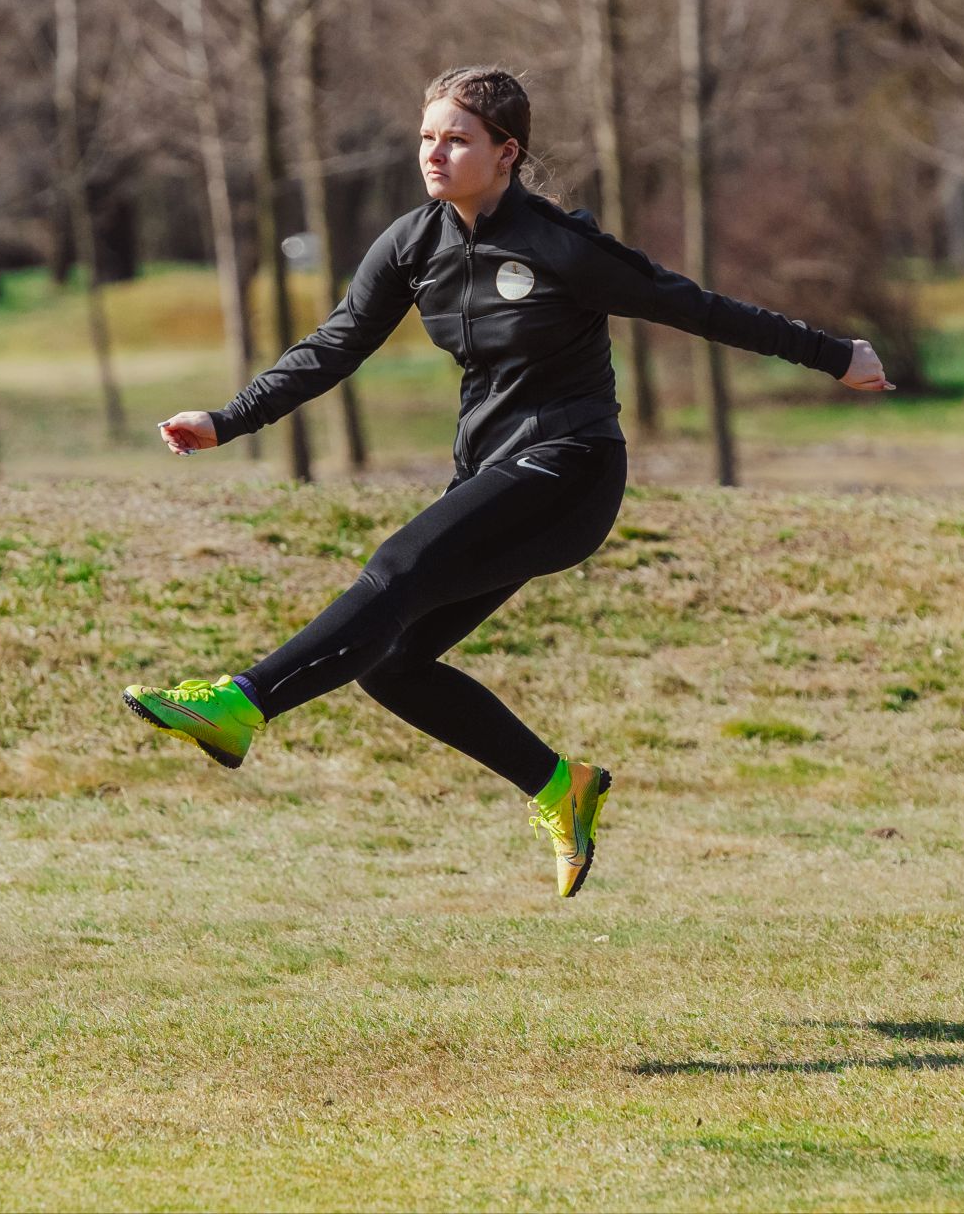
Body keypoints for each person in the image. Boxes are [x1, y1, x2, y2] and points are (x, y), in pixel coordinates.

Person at [128, 64, 893, 897]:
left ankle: (239, 705)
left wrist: (834, 354)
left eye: (456, 139)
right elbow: (335, 345)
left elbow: (694, 305)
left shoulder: (561, 246)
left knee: (396, 568)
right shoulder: (412, 245)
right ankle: (562, 787)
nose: (435, 153)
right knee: (390, 662)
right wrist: (227, 418)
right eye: (427, 137)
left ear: (506, 152)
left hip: (570, 470)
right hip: (493, 476)